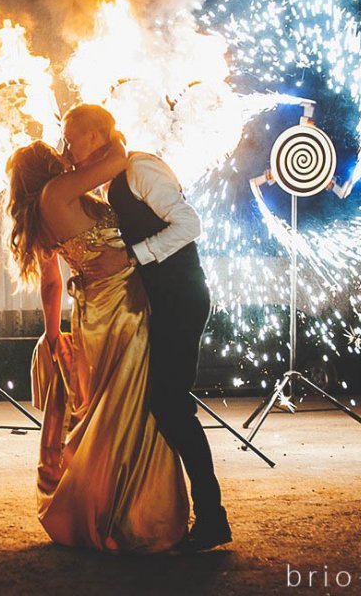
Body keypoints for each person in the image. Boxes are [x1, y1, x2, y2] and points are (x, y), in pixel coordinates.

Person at [61, 104, 232, 552]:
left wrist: (131, 256)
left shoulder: (140, 169)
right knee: (165, 404)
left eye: (70, 138)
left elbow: (190, 224)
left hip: (181, 298)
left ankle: (212, 517)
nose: (66, 149)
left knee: (171, 405)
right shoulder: (113, 181)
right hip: (164, 302)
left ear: (95, 136)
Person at [5, 138, 189, 553]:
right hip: (122, 305)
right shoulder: (60, 190)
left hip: (91, 315)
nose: (65, 155)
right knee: (132, 404)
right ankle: (134, 515)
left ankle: (105, 507)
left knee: (107, 407)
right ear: (47, 166)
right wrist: (105, 136)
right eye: (58, 152)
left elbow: (51, 283)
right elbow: (118, 157)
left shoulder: (42, 212)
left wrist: (53, 335)